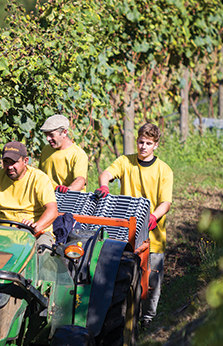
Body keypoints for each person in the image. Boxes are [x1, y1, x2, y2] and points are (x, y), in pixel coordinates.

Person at [95, 123, 173, 324]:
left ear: (156, 145)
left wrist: (153, 217)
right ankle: (125, 318)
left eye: (148, 143)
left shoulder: (164, 170)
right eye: (140, 142)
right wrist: (104, 185)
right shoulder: (125, 162)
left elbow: (166, 202)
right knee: (124, 279)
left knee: (152, 282)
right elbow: (106, 174)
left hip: (152, 236)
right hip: (124, 234)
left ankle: (148, 318)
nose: (143, 147)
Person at [39, 114, 88, 193]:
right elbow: (40, 176)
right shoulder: (46, 150)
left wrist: (68, 191)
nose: (48, 139)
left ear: (64, 132)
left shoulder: (78, 154)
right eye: (46, 135)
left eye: (51, 135)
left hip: (72, 200)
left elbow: (80, 181)